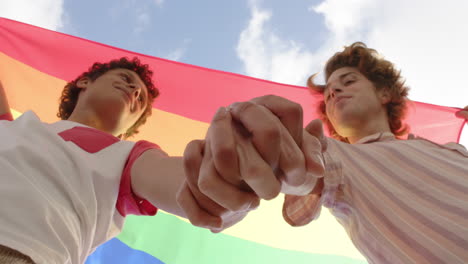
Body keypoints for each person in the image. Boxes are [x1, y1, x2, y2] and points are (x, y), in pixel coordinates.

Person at [0, 57, 319, 264]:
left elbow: (187, 186)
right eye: (126, 78)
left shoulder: (126, 156)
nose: (134, 92)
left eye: (140, 99)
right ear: (84, 82)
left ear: (132, 126)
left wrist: (230, 169)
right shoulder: (10, 124)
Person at [178, 43, 468, 263]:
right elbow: (305, 168)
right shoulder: (335, 157)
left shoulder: (453, 151)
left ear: (385, 94)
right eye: (329, 93)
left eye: (349, 81)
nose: (335, 92)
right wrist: (260, 157)